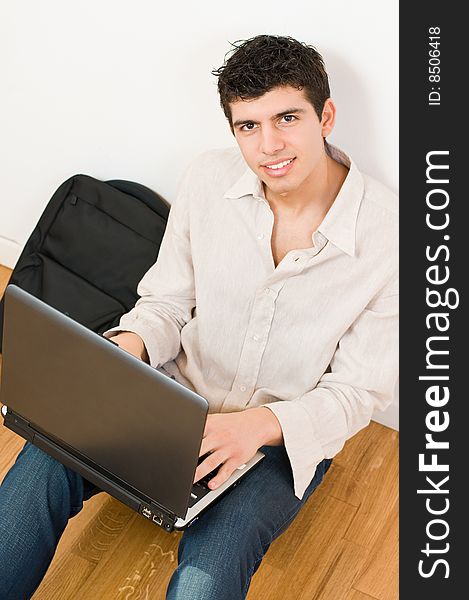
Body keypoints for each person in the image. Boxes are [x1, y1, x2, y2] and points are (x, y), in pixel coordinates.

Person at [0, 34, 398, 599]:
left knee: (206, 577)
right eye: (248, 126)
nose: (270, 146)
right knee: (39, 466)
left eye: (287, 117)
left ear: (326, 115)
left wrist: (254, 429)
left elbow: (357, 391)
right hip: (171, 395)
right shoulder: (206, 181)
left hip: (277, 441)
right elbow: (166, 301)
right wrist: (126, 350)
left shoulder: (395, 237)